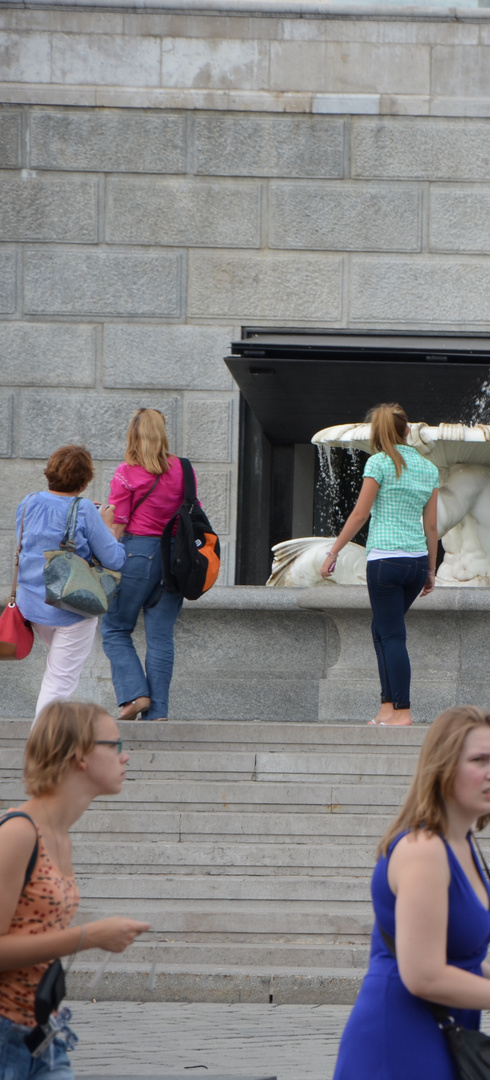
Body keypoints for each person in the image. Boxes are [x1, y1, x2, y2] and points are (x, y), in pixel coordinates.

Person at [333, 705, 490, 1080]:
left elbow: (456, 952)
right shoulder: (423, 850)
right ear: (443, 766)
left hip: (445, 1035)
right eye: (479, 759)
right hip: (401, 1041)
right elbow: (424, 974)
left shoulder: (461, 843)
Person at [0, 702, 150, 1077]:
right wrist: (90, 935)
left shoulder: (60, 837)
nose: (125, 755)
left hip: (43, 1033)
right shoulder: (17, 833)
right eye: (114, 745)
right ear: (80, 755)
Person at [321, 404, 441, 726]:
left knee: (391, 635)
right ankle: (387, 707)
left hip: (385, 561)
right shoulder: (428, 468)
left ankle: (402, 710)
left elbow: (360, 515)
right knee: (382, 629)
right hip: (415, 563)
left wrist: (333, 552)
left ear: (378, 433)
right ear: (406, 431)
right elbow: (432, 527)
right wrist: (431, 570)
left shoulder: (379, 463)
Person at [13, 447, 126, 721]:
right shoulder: (85, 509)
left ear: (50, 471)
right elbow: (115, 558)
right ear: (85, 479)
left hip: (32, 607)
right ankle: (43, 751)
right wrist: (108, 527)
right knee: (59, 683)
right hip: (71, 609)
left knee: (58, 674)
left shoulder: (28, 503)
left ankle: (55, 744)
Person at [98, 409, 195, 723]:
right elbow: (193, 513)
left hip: (137, 553)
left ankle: (136, 694)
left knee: (115, 628)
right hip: (175, 558)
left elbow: (118, 526)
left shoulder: (127, 472)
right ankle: (158, 713)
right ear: (163, 433)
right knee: (160, 637)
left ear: (134, 434)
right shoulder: (184, 469)